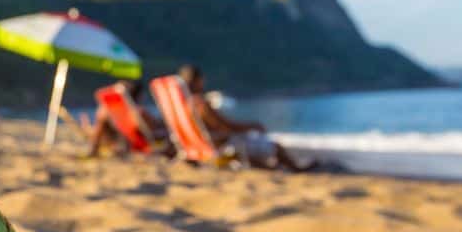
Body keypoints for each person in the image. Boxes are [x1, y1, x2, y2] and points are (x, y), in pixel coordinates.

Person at [178, 64, 314, 171]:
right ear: (198, 81)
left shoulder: (183, 106)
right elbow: (226, 127)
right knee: (275, 147)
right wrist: (251, 126)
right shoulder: (200, 104)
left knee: (254, 145)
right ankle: (296, 169)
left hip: (205, 145)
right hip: (222, 144)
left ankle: (268, 166)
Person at [86, 79, 169, 158]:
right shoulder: (139, 113)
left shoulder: (111, 111)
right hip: (146, 143)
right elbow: (154, 131)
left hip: (127, 142)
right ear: (138, 95)